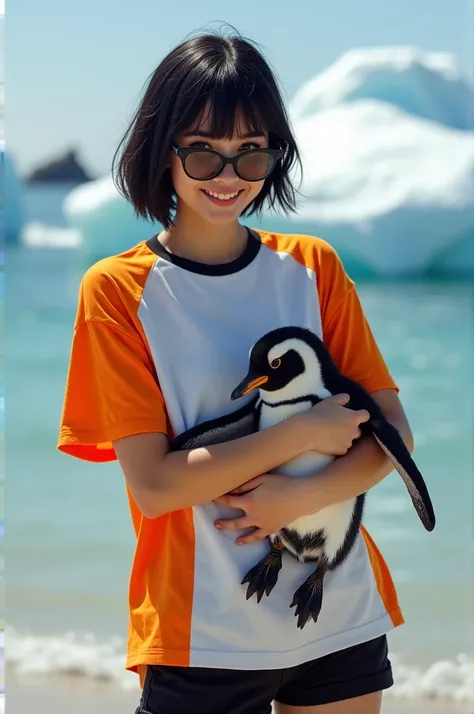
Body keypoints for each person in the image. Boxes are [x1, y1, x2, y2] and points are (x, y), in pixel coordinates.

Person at [58, 29, 413, 714]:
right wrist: (302, 430)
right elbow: (157, 485)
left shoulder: (313, 268)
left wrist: (299, 499)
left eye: (251, 153)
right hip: (203, 633)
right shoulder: (117, 292)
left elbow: (391, 438)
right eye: (203, 152)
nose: (228, 177)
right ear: (164, 150)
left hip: (336, 614)